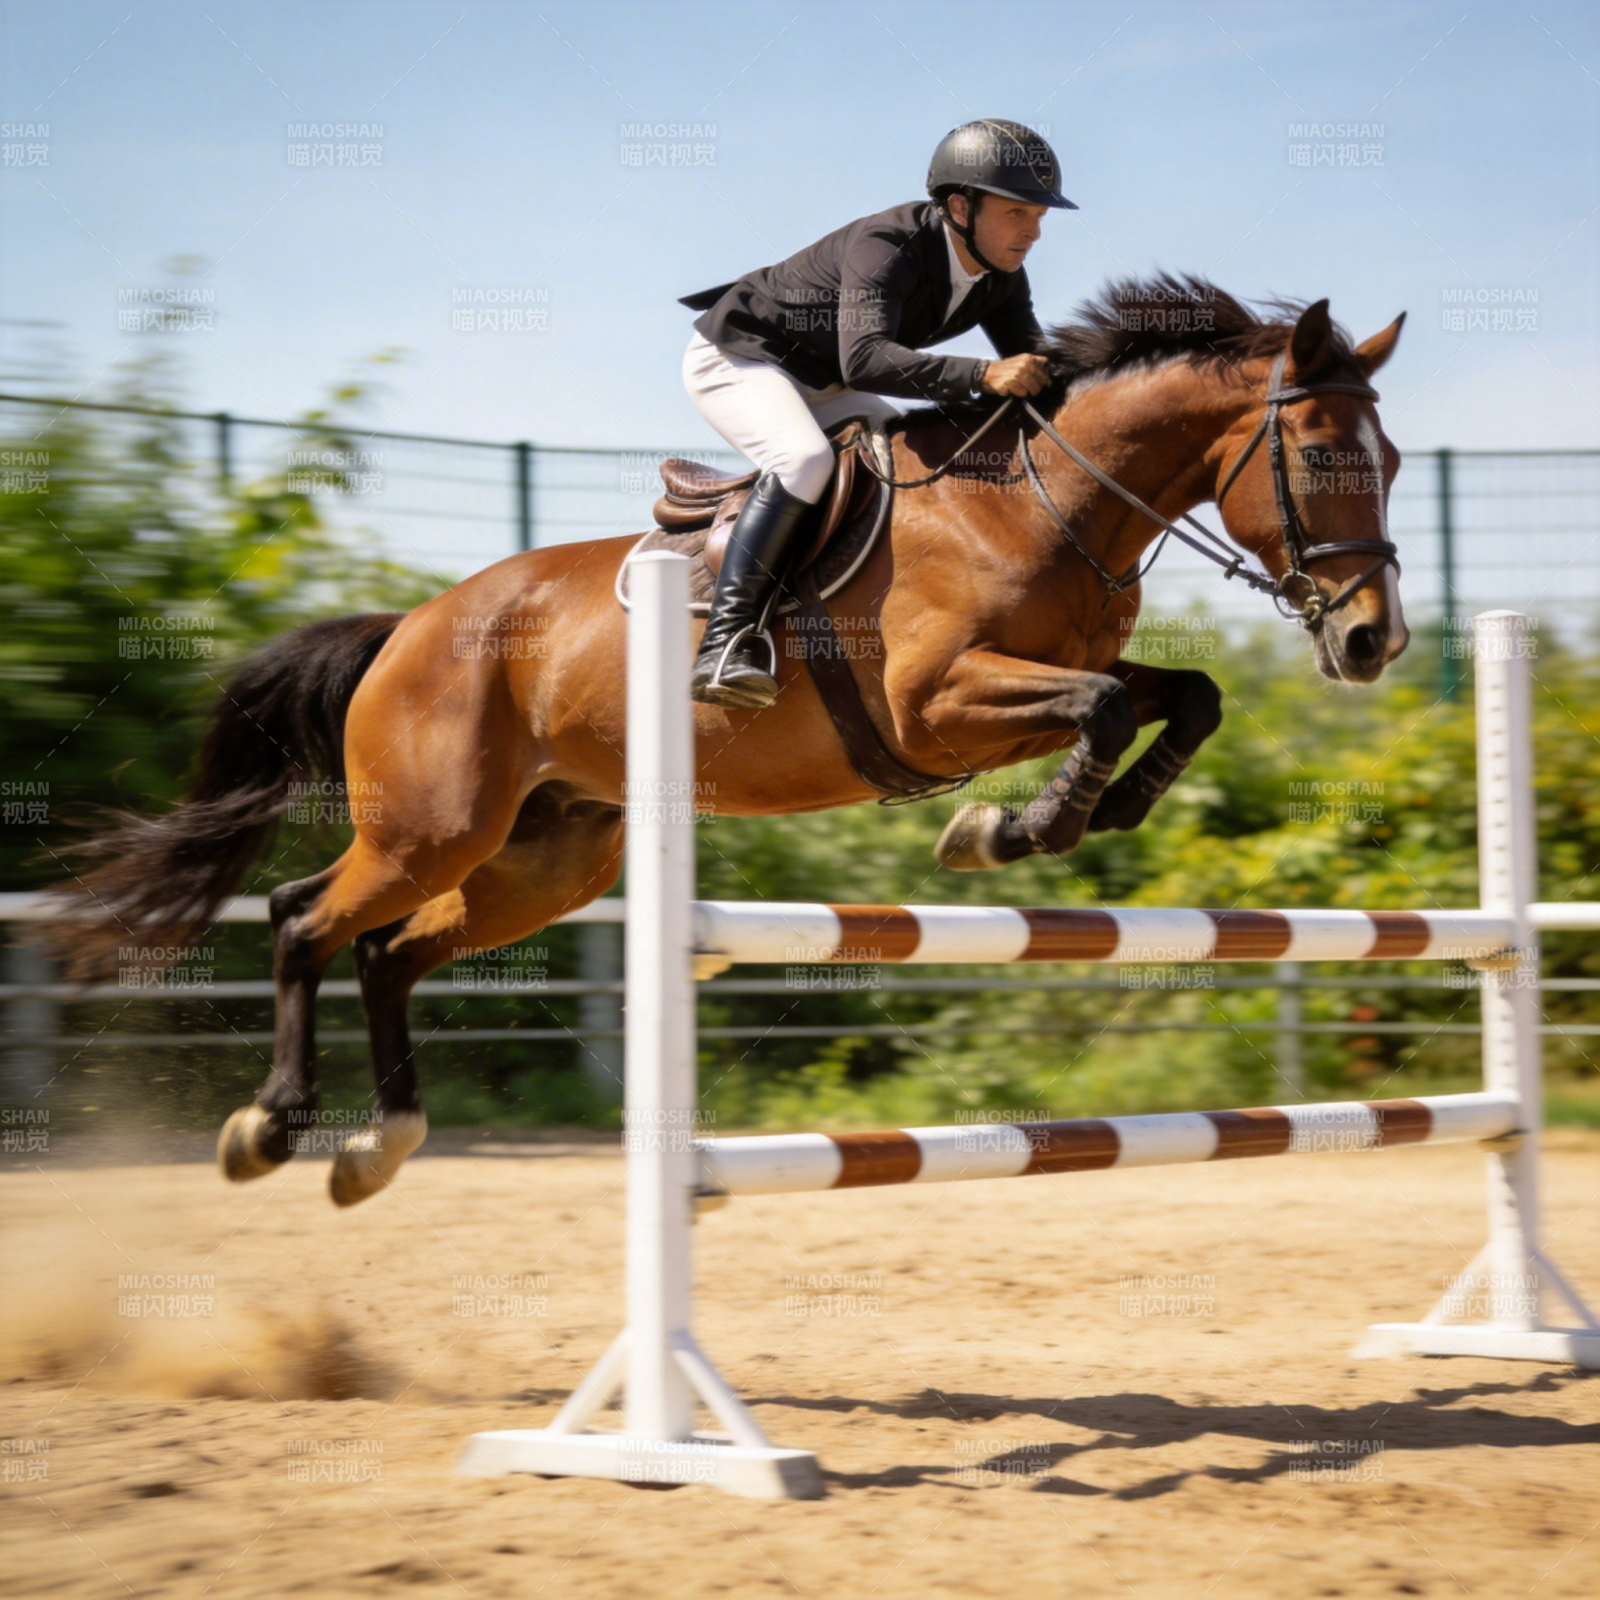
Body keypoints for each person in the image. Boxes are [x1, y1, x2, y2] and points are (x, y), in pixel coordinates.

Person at [677, 118, 1076, 707]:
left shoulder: (1002, 277)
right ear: (960, 207)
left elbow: (1036, 370)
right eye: (1018, 212)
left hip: (827, 381)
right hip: (741, 358)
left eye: (1040, 217)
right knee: (804, 459)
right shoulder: (887, 245)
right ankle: (725, 644)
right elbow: (864, 358)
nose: (1034, 232)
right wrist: (980, 375)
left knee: (911, 457)